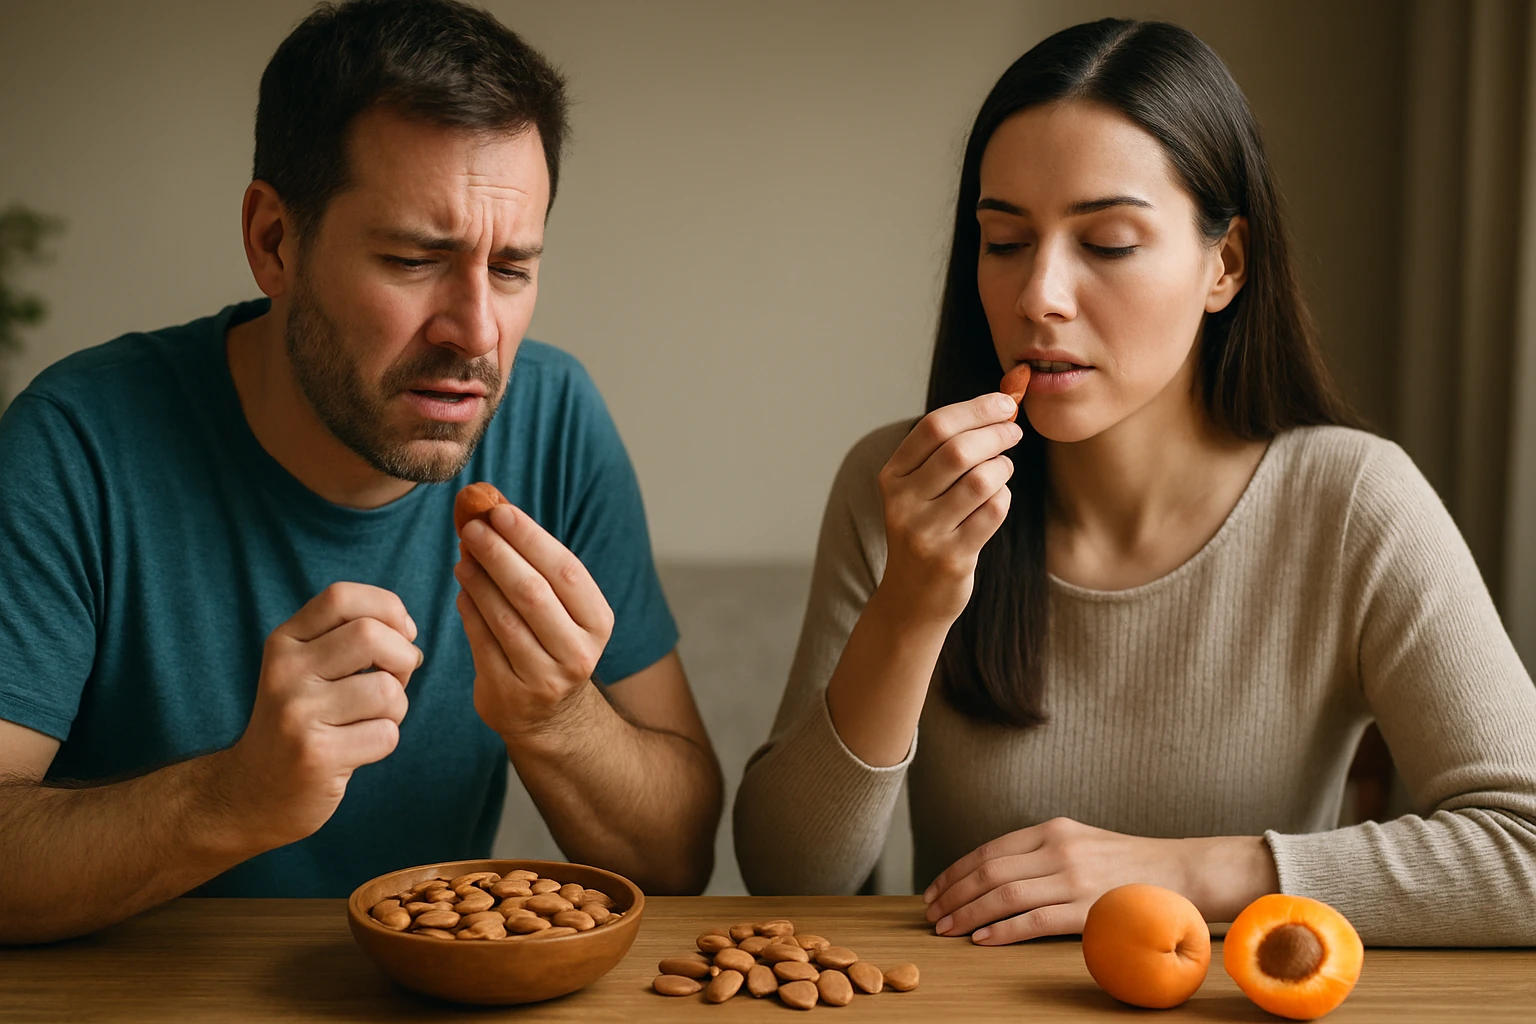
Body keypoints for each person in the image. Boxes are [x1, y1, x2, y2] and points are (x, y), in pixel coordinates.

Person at [733, 18, 1536, 946]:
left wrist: (1188, 872)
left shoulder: (1354, 502)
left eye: (1107, 243)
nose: (1040, 295)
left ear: (1224, 266)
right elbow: (785, 879)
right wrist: (913, 605)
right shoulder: (900, 486)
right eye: (1003, 242)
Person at [0, 0, 722, 945]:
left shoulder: (552, 416)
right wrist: (232, 797)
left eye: (511, 269)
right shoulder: (77, 441)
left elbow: (678, 861)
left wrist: (558, 721)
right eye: (415, 259)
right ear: (273, 241)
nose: (476, 334)